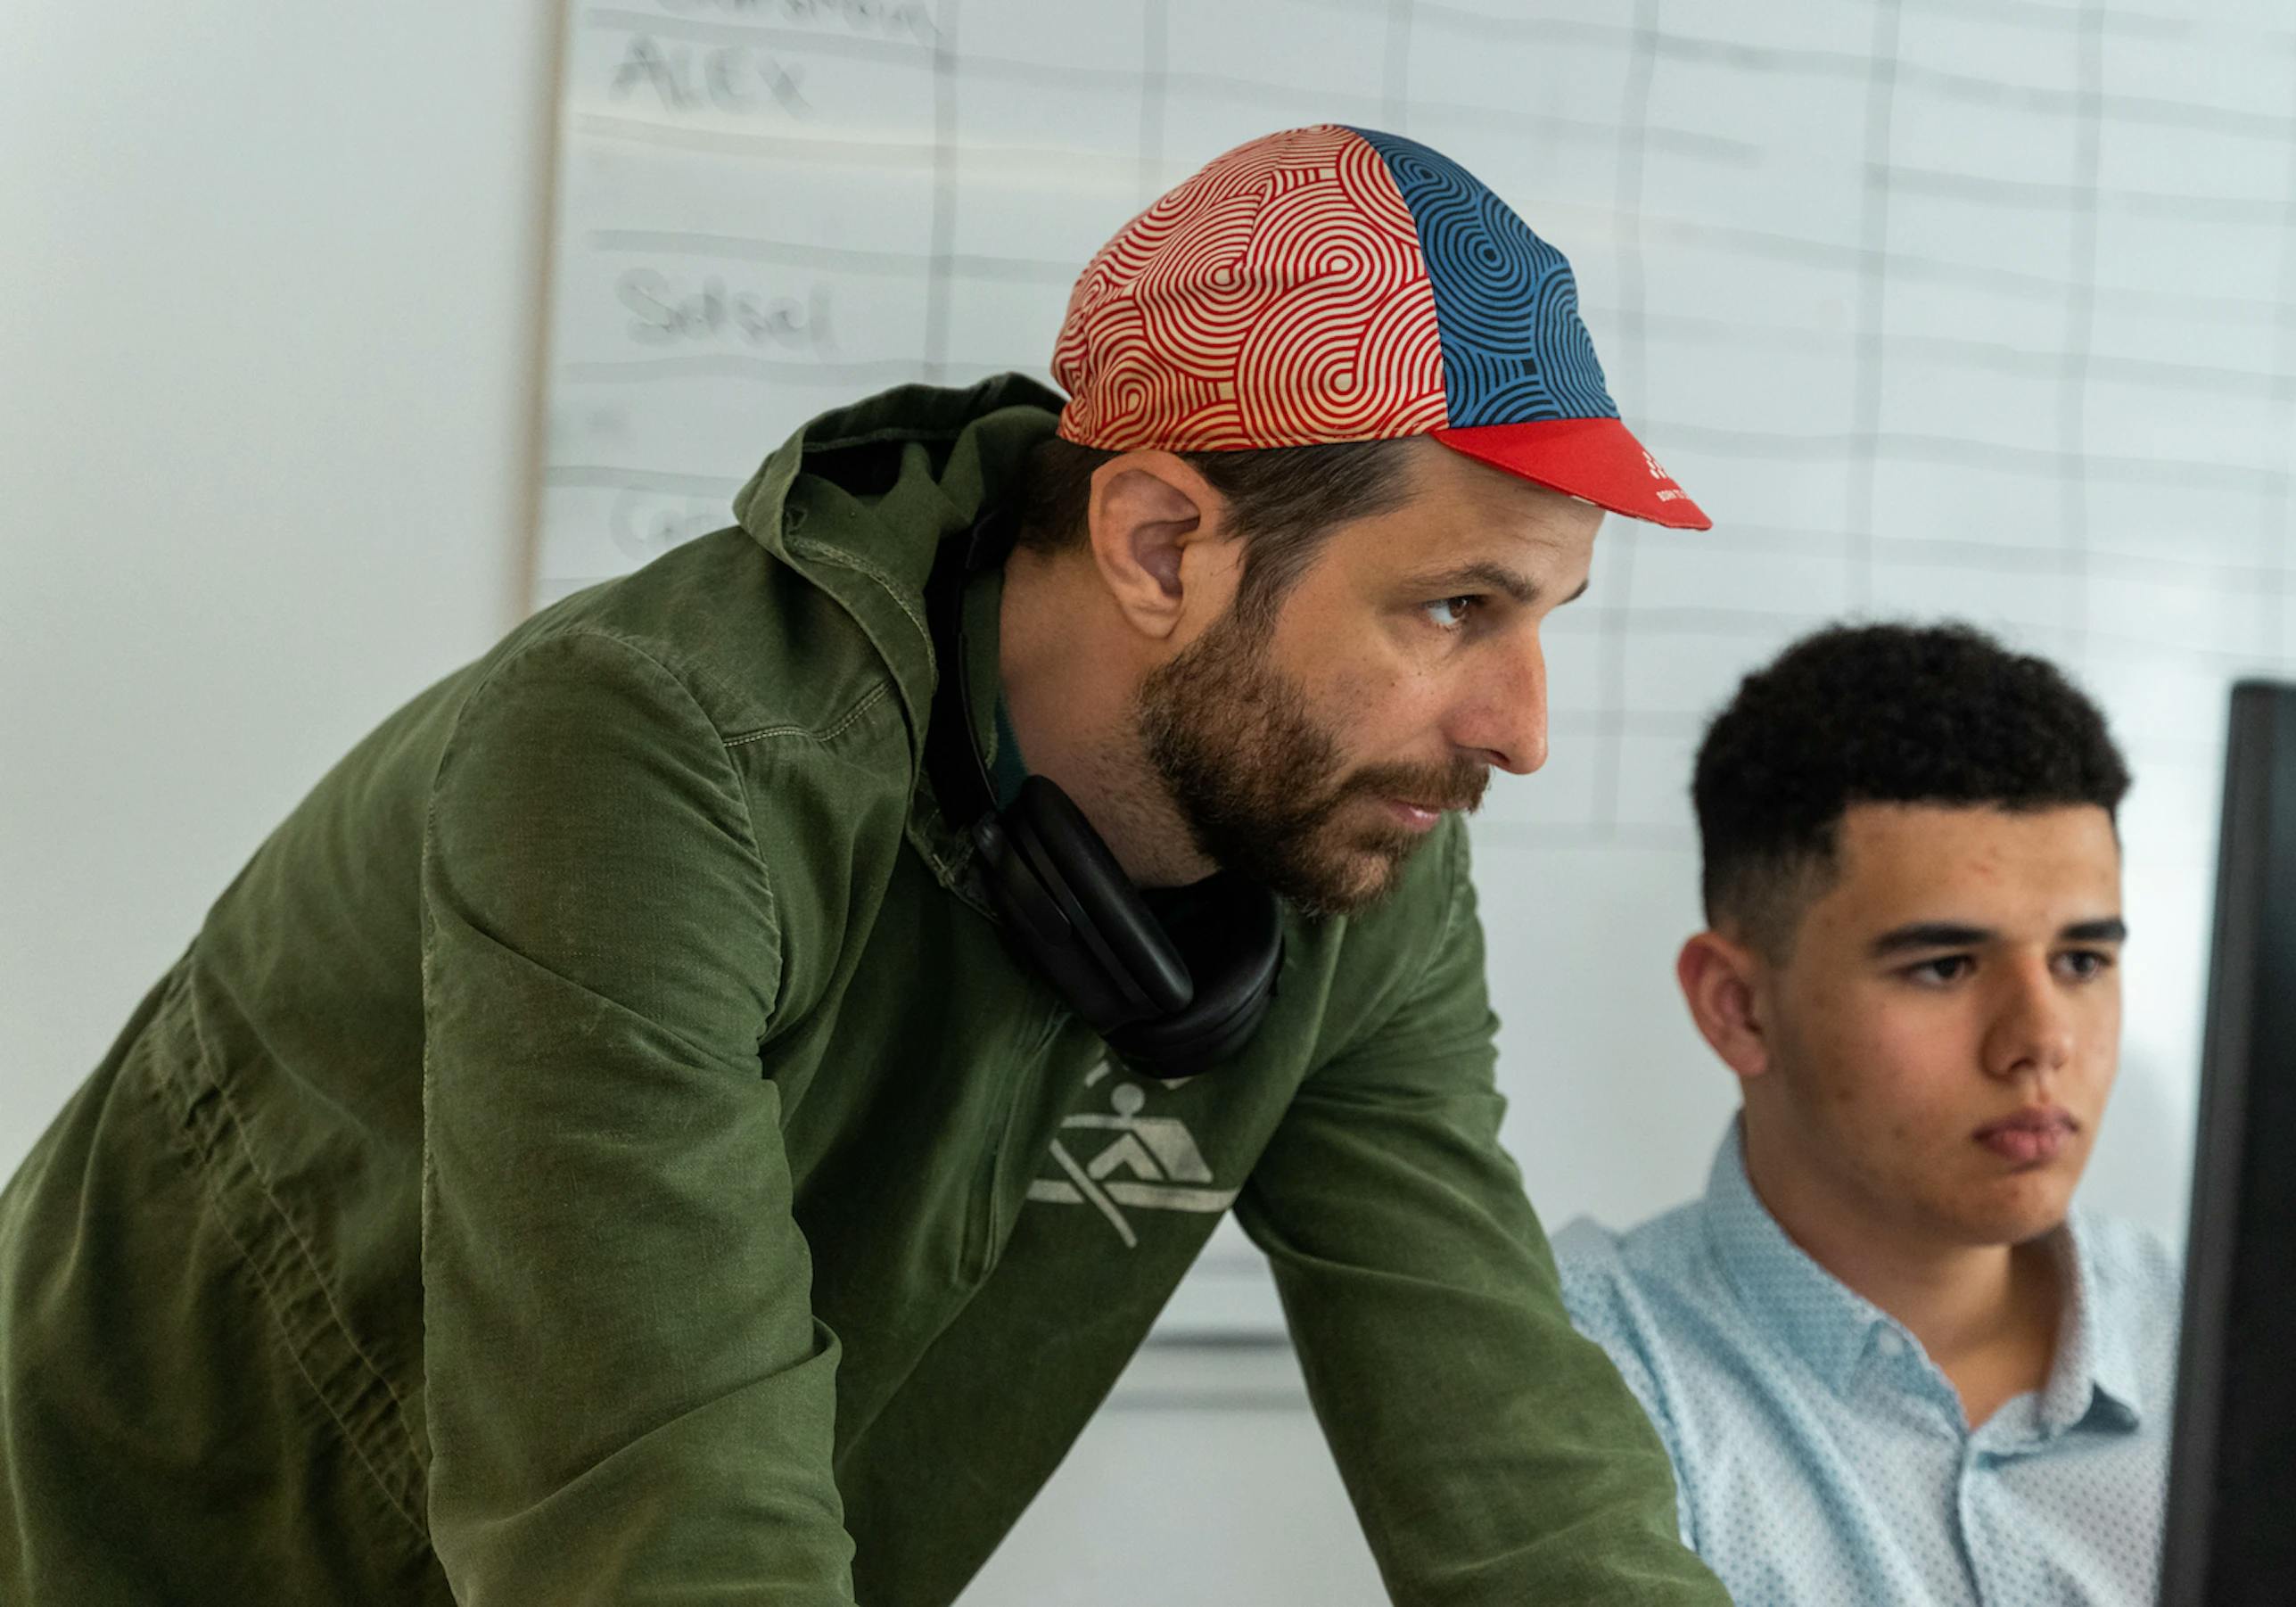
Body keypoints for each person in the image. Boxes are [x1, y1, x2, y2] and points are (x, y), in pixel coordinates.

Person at [0, 125, 1731, 1606]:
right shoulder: (640, 760)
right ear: (1156, 545)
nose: (1521, 727)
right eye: (1453, 609)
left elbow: (1516, 1463)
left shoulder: (1350, 853)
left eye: (1544, 620)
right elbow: (659, 1512)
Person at [1554, 622, 2182, 1607]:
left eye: (2079, 960)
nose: (2038, 1040)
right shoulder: (1576, 1360)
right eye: (1942, 966)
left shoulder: (2226, 1340)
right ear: (1738, 1006)